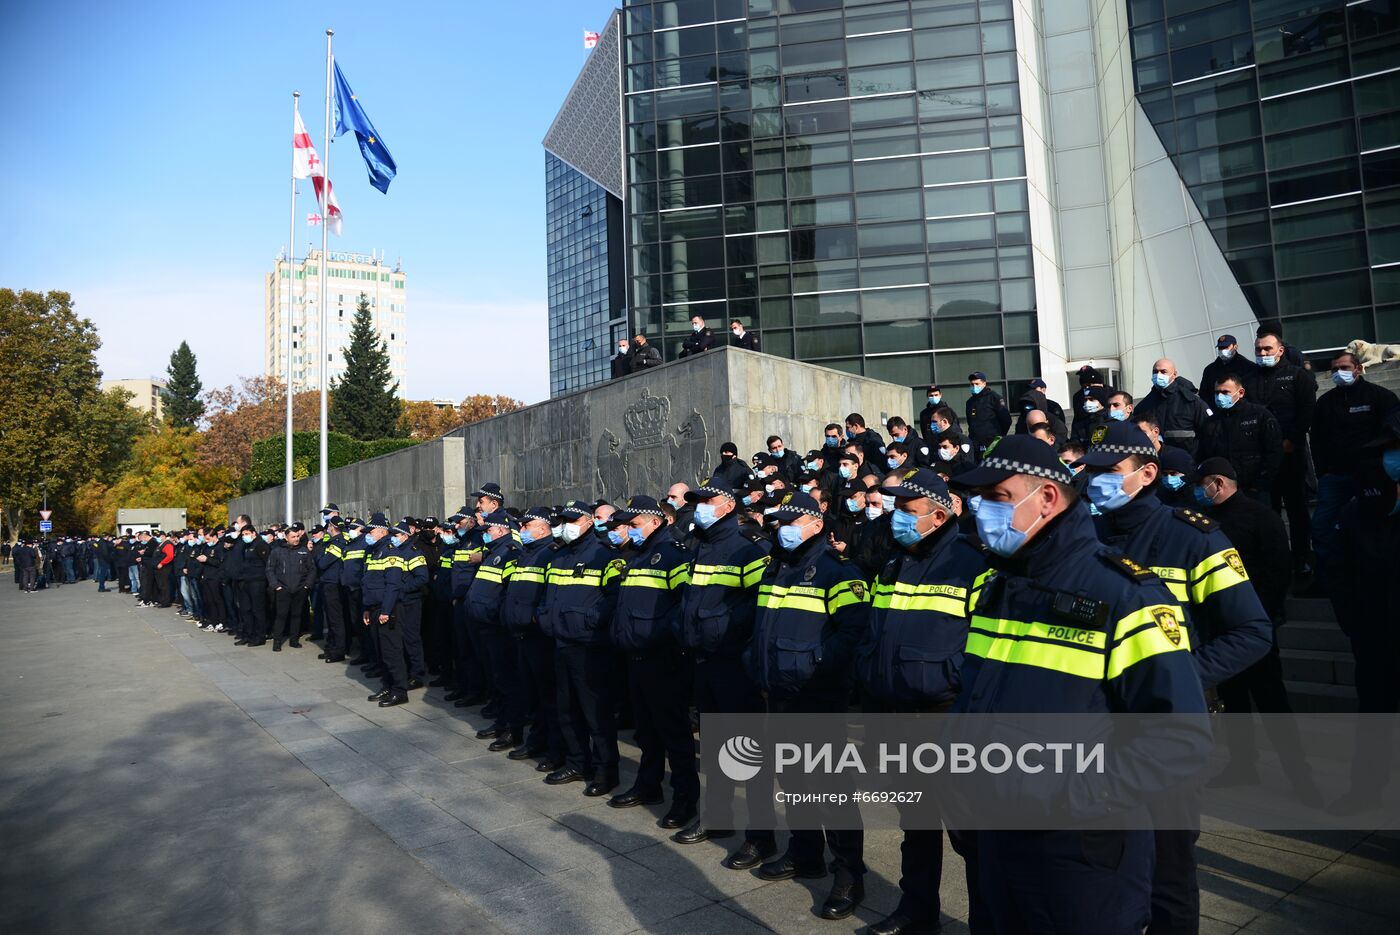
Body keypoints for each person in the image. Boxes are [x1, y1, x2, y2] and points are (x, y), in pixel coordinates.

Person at [948, 434, 1210, 935]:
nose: (982, 512)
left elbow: (1180, 737)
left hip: (1082, 857)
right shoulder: (1003, 585)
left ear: (1046, 497)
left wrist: (1064, 796)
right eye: (979, 500)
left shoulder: (1125, 593)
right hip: (998, 840)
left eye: (998, 498)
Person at [1075, 421, 1272, 935]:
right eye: (1090, 470)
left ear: (1147, 474)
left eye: (1108, 471)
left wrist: (1178, 676)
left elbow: (1253, 630)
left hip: (1164, 731)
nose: (1095, 480)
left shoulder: (1194, 538)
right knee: (1100, 870)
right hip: (1096, 731)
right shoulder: (1082, 537)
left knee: (1169, 874)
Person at [856, 468, 987, 935]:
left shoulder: (972, 561)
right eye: (896, 510)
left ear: (939, 513)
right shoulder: (895, 561)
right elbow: (878, 635)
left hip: (946, 719)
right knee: (916, 825)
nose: (898, 519)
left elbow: (986, 647)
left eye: (908, 511)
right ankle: (917, 911)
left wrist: (946, 682)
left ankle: (985, 922)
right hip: (896, 716)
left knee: (970, 835)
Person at [745, 490, 869, 921]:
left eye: (791, 522)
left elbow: (853, 633)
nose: (782, 530)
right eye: (778, 523)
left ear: (816, 525)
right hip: (779, 693)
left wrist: (814, 662)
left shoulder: (837, 572)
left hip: (817, 694)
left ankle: (849, 873)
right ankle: (805, 854)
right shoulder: (777, 569)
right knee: (794, 779)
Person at [1192, 458, 1319, 803]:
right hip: (1220, 629)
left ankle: (1299, 775)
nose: (1197, 490)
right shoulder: (1204, 521)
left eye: (1202, 483)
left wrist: (1260, 617)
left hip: (1254, 627)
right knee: (1234, 701)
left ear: (1218, 483)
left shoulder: (1259, 516)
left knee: (1272, 701)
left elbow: (1279, 569)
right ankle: (1242, 763)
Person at [673, 480, 776, 863]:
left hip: (734, 663)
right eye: (696, 501)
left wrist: (727, 636)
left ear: (728, 505)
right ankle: (716, 816)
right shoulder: (700, 547)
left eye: (706, 500)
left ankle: (762, 835)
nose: (699, 507)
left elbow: (758, 608)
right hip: (703, 659)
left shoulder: (748, 550)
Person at [1324, 408, 1400, 815]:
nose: (1391, 459)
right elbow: (1337, 570)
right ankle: (1365, 790)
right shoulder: (1361, 508)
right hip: (1372, 636)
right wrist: (1353, 621)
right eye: (1388, 451)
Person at [606, 496, 699, 827]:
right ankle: (648, 785)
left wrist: (656, 636)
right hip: (636, 655)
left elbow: (682, 606)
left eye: (632, 524)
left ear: (654, 522)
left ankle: (685, 799)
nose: (627, 530)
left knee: (673, 732)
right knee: (646, 730)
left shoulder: (672, 554)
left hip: (663, 657)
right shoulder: (638, 556)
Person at [539, 500, 625, 796]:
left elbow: (614, 598)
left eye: (573, 520)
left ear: (589, 521)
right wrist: (544, 617)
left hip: (590, 646)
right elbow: (548, 595)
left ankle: (605, 771)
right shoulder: (558, 555)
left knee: (595, 712)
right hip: (561, 641)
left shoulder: (604, 555)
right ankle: (578, 762)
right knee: (567, 708)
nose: (566, 525)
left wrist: (590, 621)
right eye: (564, 520)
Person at [1308, 351, 1398, 568]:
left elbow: (1393, 434)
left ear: (1358, 368)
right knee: (1322, 526)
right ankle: (1328, 577)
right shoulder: (1325, 403)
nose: (1339, 373)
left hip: (1373, 476)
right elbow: (1317, 440)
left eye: (1345, 368)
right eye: (1335, 369)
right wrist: (1323, 472)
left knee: (1377, 524)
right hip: (1335, 477)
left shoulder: (1381, 397)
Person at [501, 506, 566, 772]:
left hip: (539, 636)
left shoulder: (549, 553)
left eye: (527, 526)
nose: (522, 530)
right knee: (533, 694)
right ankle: (536, 740)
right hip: (522, 634)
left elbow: (549, 594)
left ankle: (554, 749)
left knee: (548, 696)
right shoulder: (526, 554)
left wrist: (537, 618)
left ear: (542, 528)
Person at [1251, 330, 1317, 579]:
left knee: (1297, 510)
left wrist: (1292, 440)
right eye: (1259, 349)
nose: (1263, 353)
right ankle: (1276, 561)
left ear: (1280, 350)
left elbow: (1307, 410)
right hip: (1262, 459)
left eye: (1267, 349)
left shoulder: (1298, 376)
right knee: (1268, 512)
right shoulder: (1250, 378)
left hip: (1291, 455)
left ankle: (1302, 559)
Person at [467, 509, 525, 747]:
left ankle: (513, 728)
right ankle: (501, 722)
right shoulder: (493, 551)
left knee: (507, 680)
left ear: (501, 530)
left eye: (488, 530)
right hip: (484, 625)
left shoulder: (510, 552)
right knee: (495, 679)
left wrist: (495, 615)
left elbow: (509, 592)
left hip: (498, 628)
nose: (485, 534)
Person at [1197, 375, 1283, 503]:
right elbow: (1204, 454)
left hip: (1255, 489)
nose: (1220, 396)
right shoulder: (1211, 422)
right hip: (1223, 490)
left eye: (1225, 392)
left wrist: (1260, 484)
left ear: (1240, 392)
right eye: (1217, 392)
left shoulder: (1259, 415)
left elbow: (1274, 451)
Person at [370, 521, 429, 707]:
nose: (393, 538)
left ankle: (417, 674)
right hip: (397, 603)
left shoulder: (413, 552)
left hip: (410, 602)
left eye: (396, 535)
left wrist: (402, 590)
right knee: (396, 643)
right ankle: (399, 678)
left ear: (405, 536)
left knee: (411, 638)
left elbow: (422, 578)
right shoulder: (391, 551)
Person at [1134, 359, 1210, 457]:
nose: (1158, 375)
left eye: (1163, 372)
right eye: (1155, 372)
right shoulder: (1144, 405)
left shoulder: (1191, 402)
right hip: (1153, 462)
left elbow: (1208, 434)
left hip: (1186, 464)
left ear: (1174, 374)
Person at [266, 523, 317, 651]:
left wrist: (307, 586)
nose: (296, 539)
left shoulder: (304, 551)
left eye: (297, 536)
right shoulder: (277, 551)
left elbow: (312, 569)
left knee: (296, 615)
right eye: (293, 537)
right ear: (286, 537)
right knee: (281, 615)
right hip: (283, 589)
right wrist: (276, 585)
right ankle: (277, 642)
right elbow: (269, 569)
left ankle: (294, 640)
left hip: (299, 589)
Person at [233, 525, 271, 646]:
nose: (245, 537)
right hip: (246, 581)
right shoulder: (247, 545)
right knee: (246, 610)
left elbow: (268, 564)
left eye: (247, 534)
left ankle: (259, 636)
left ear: (254, 533)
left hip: (257, 582)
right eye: (243, 534)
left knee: (257, 610)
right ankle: (248, 635)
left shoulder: (261, 545)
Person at [964, 371, 1011, 456]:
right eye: (972, 384)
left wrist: (997, 436)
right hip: (976, 445)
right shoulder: (970, 402)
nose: (974, 386)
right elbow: (970, 422)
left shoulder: (994, 398)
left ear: (984, 383)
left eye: (977, 383)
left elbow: (1006, 420)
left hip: (992, 444)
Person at [1199, 333, 1258, 399]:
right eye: (1220, 348)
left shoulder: (1248, 366)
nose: (1222, 350)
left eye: (1225, 347)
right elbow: (1204, 394)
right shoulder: (1210, 370)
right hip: (1216, 407)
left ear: (1235, 347)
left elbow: (1253, 393)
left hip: (1241, 407)